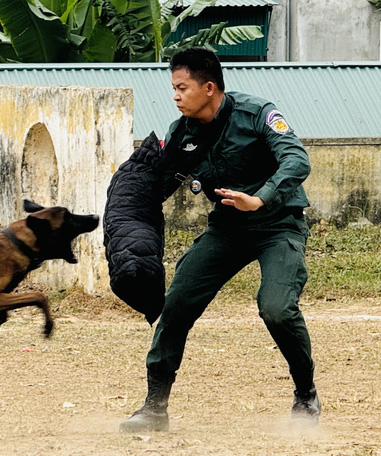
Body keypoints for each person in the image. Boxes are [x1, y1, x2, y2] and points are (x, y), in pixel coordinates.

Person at [119, 47, 320, 433]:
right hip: (227, 229)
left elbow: (297, 159)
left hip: (277, 225)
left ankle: (306, 394)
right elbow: (155, 188)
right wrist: (123, 216)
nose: (175, 96)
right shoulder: (181, 132)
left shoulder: (257, 113)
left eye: (182, 87)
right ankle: (154, 407)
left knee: (276, 308)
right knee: (175, 305)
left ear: (209, 87)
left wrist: (259, 197)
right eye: (173, 88)